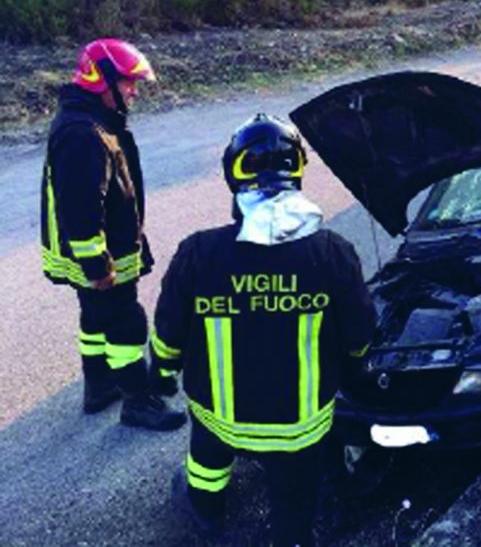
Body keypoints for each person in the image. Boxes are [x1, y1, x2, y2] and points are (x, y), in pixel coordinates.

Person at [152, 113, 377, 545]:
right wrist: (356, 375)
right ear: (297, 172)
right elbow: (359, 335)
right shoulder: (332, 253)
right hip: (299, 428)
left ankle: (207, 516)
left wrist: (160, 373)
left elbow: (169, 332)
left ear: (232, 174)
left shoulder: (199, 252)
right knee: (294, 501)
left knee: (206, 467)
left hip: (218, 419)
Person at [41, 38, 186, 430]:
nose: (134, 91)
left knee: (93, 316)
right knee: (125, 322)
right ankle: (139, 402)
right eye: (128, 83)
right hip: (100, 254)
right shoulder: (83, 133)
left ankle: (100, 387)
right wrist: (97, 264)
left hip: (88, 252)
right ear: (100, 79)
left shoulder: (89, 119)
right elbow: (81, 207)